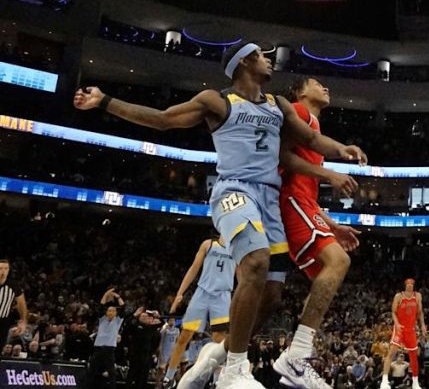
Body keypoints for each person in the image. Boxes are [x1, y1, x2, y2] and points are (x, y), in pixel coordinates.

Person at [74, 41, 365, 389]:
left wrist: (341, 149)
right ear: (243, 63)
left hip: (269, 199)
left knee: (270, 295)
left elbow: (312, 140)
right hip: (234, 190)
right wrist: (105, 101)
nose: (269, 60)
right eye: (260, 55)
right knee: (255, 262)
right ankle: (234, 371)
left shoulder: (278, 105)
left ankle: (219, 355)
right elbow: (163, 119)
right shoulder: (217, 100)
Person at [277, 77, 363, 388]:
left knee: (325, 278)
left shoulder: (311, 122)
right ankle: (296, 355)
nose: (326, 87)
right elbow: (282, 156)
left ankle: (294, 366)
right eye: (316, 83)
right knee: (338, 262)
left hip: (304, 204)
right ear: (300, 92)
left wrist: (333, 225)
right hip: (290, 200)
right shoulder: (298, 111)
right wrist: (329, 172)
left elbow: (310, 198)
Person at [163, 237, 233, 389]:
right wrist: (179, 294)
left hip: (222, 296)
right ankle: (169, 377)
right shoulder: (208, 244)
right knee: (184, 335)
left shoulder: (238, 246)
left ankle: (216, 381)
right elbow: (193, 268)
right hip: (202, 293)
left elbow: (242, 275)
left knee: (219, 339)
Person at [380, 279, 427, 389]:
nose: (410, 286)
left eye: (411, 284)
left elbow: (420, 313)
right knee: (391, 353)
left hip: (411, 329)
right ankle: (384, 381)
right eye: (408, 284)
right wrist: (396, 323)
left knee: (413, 356)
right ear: (405, 285)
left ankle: (415, 383)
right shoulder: (399, 296)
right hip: (400, 328)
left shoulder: (418, 296)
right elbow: (393, 312)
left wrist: (423, 324)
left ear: (414, 285)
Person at [88, 290, 124, 389]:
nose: (111, 312)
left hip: (109, 348)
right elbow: (101, 305)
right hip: (98, 347)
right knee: (93, 369)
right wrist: (105, 294)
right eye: (109, 310)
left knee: (111, 371)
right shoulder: (102, 319)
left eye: (113, 310)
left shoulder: (118, 320)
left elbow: (123, 307)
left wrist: (117, 296)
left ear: (116, 313)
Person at [0, 260, 28, 350]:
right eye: (0, 268)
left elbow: (21, 304)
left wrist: (23, 321)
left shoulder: (14, 286)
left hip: (3, 322)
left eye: (6, 268)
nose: (3, 271)